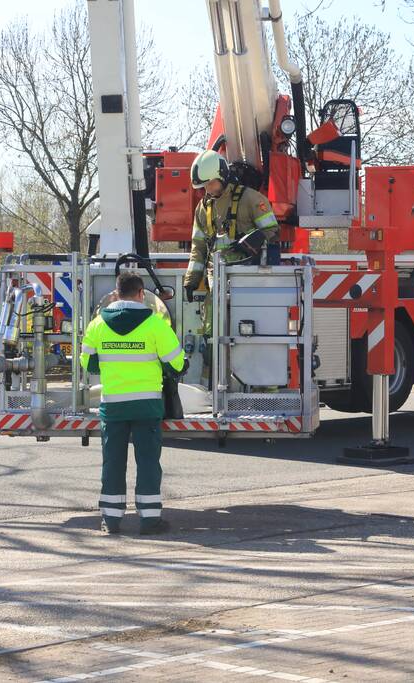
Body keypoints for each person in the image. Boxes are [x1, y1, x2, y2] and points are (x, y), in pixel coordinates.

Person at [79, 272, 185, 535]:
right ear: (141, 294)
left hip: (113, 406)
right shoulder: (156, 324)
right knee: (148, 462)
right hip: (147, 405)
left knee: (112, 463)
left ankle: (110, 521)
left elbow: (88, 363)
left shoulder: (97, 325)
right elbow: (177, 364)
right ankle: (150, 520)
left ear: (115, 294)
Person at [183, 150, 280, 335]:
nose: (208, 189)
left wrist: (252, 241)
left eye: (211, 183)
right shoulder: (203, 208)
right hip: (217, 279)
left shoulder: (251, 199)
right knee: (211, 330)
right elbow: (199, 247)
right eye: (204, 186)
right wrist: (191, 281)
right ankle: (212, 364)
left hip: (249, 277)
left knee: (247, 329)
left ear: (223, 175)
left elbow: (272, 231)